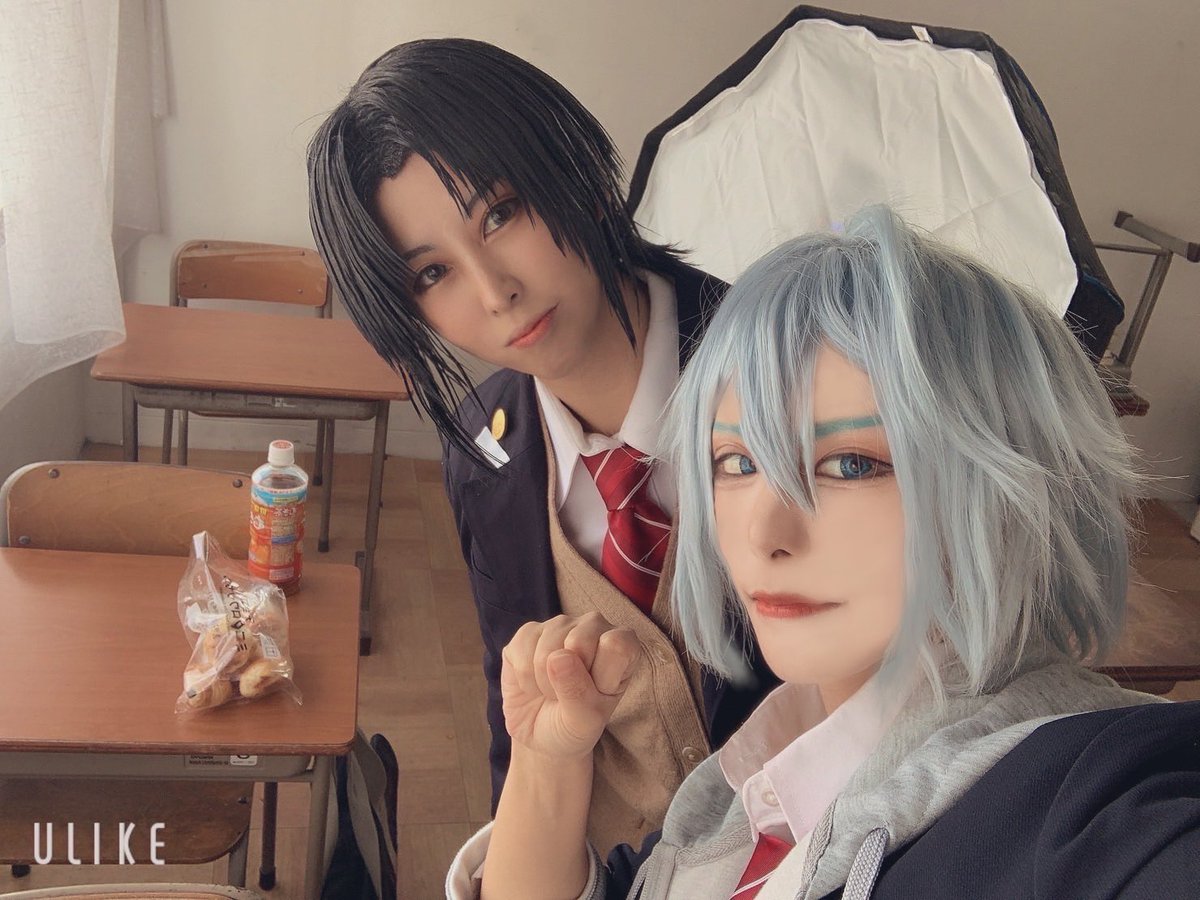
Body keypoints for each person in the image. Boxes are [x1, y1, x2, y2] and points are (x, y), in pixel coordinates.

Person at [446, 206, 1200, 899]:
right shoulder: (737, 796)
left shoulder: (1089, 799)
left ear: (1016, 485)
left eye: (850, 464)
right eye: (736, 462)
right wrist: (548, 761)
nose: (763, 534)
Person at [306, 38, 774, 854]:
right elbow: (517, 715)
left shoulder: (793, 368)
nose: (496, 292)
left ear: (574, 174)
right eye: (432, 275)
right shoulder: (482, 452)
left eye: (501, 214)